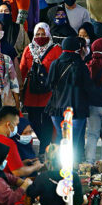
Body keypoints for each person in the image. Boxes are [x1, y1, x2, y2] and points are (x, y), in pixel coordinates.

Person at [46, 36, 93, 163]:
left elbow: (49, 85)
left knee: (61, 139)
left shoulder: (55, 64)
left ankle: (58, 166)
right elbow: (88, 87)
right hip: (76, 110)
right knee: (73, 142)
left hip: (56, 108)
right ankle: (71, 168)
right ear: (77, 49)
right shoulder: (81, 66)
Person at [19, 23, 62, 155]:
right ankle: (45, 145)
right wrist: (19, 90)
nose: (40, 36)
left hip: (49, 94)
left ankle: (44, 150)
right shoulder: (28, 49)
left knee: (48, 123)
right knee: (34, 122)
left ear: (48, 34)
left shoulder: (56, 49)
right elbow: (22, 70)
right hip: (31, 94)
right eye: (38, 34)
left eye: (43, 34)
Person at [0, 106, 44, 177]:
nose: (16, 128)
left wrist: (21, 163)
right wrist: (35, 167)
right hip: (6, 182)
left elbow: (2, 167)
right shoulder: (9, 143)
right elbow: (18, 172)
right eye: (16, 125)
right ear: (8, 124)